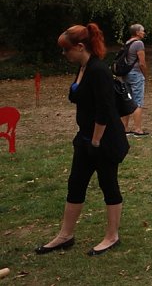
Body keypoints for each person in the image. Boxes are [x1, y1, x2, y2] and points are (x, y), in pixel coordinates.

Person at [38, 23, 129, 256]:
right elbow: (76, 96)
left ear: (80, 46)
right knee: (75, 183)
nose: (63, 54)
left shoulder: (99, 70)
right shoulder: (83, 67)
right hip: (85, 137)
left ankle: (112, 236)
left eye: (66, 49)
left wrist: (96, 142)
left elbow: (105, 110)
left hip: (104, 140)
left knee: (108, 184)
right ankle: (65, 235)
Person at [121, 24, 148, 137]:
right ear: (137, 32)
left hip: (126, 74)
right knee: (137, 102)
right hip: (136, 74)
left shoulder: (127, 43)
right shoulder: (139, 43)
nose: (144, 33)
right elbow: (142, 62)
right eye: (142, 31)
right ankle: (137, 129)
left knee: (127, 100)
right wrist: (145, 74)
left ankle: (124, 128)